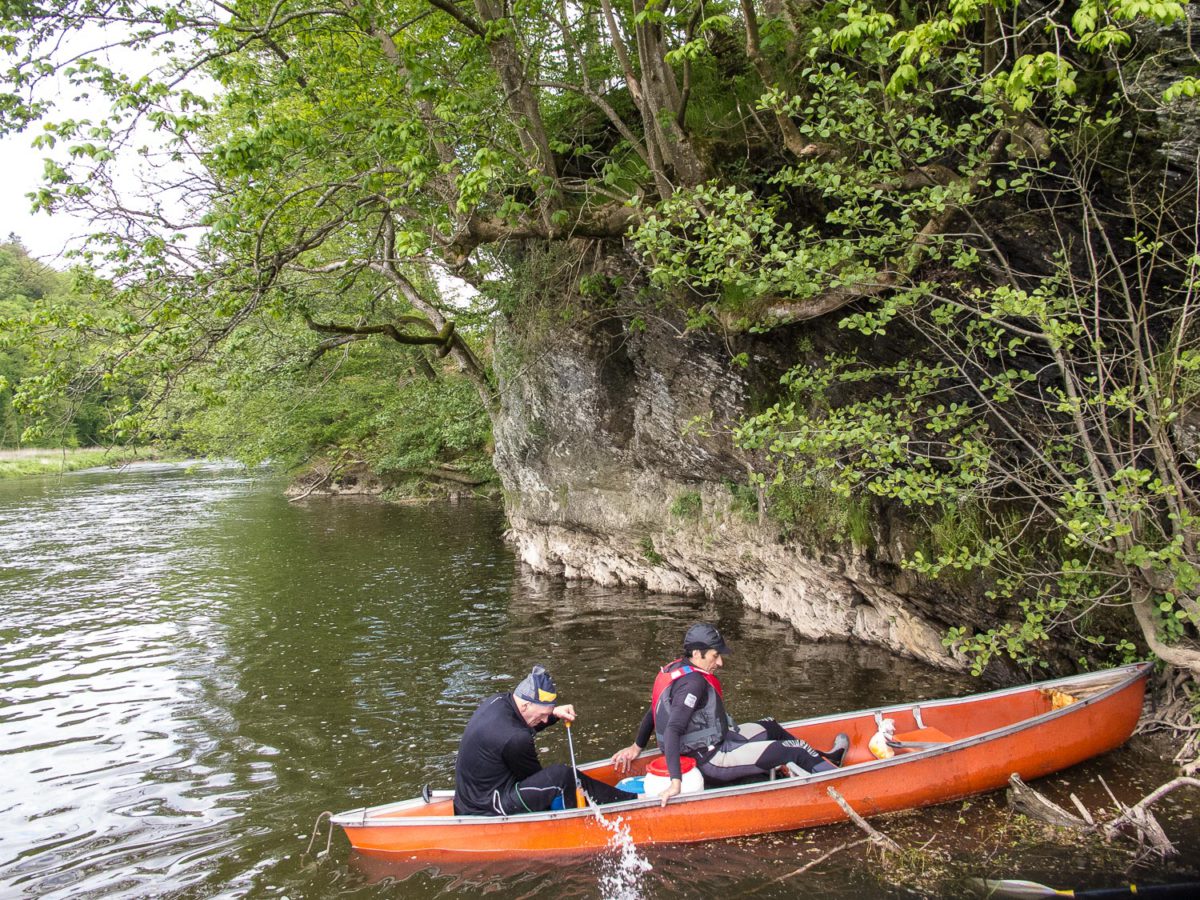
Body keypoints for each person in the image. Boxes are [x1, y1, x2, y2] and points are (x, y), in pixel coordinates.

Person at [611, 623, 849, 806]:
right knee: (794, 748)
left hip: (717, 742)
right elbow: (672, 728)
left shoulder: (677, 669)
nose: (721, 662)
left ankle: (829, 759)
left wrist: (636, 746)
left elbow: (655, 709)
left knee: (770, 725)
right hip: (711, 760)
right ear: (697, 654)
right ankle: (848, 786)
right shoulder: (693, 683)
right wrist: (676, 783)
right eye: (715, 656)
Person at [454, 664, 638, 816]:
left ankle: (614, 798)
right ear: (526, 705)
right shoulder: (517, 738)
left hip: (470, 798)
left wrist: (553, 714)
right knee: (561, 776)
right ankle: (629, 802)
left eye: (547, 715)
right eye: (543, 715)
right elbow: (538, 780)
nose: (544, 721)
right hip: (488, 807)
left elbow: (520, 724)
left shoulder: (500, 701)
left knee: (561, 777)